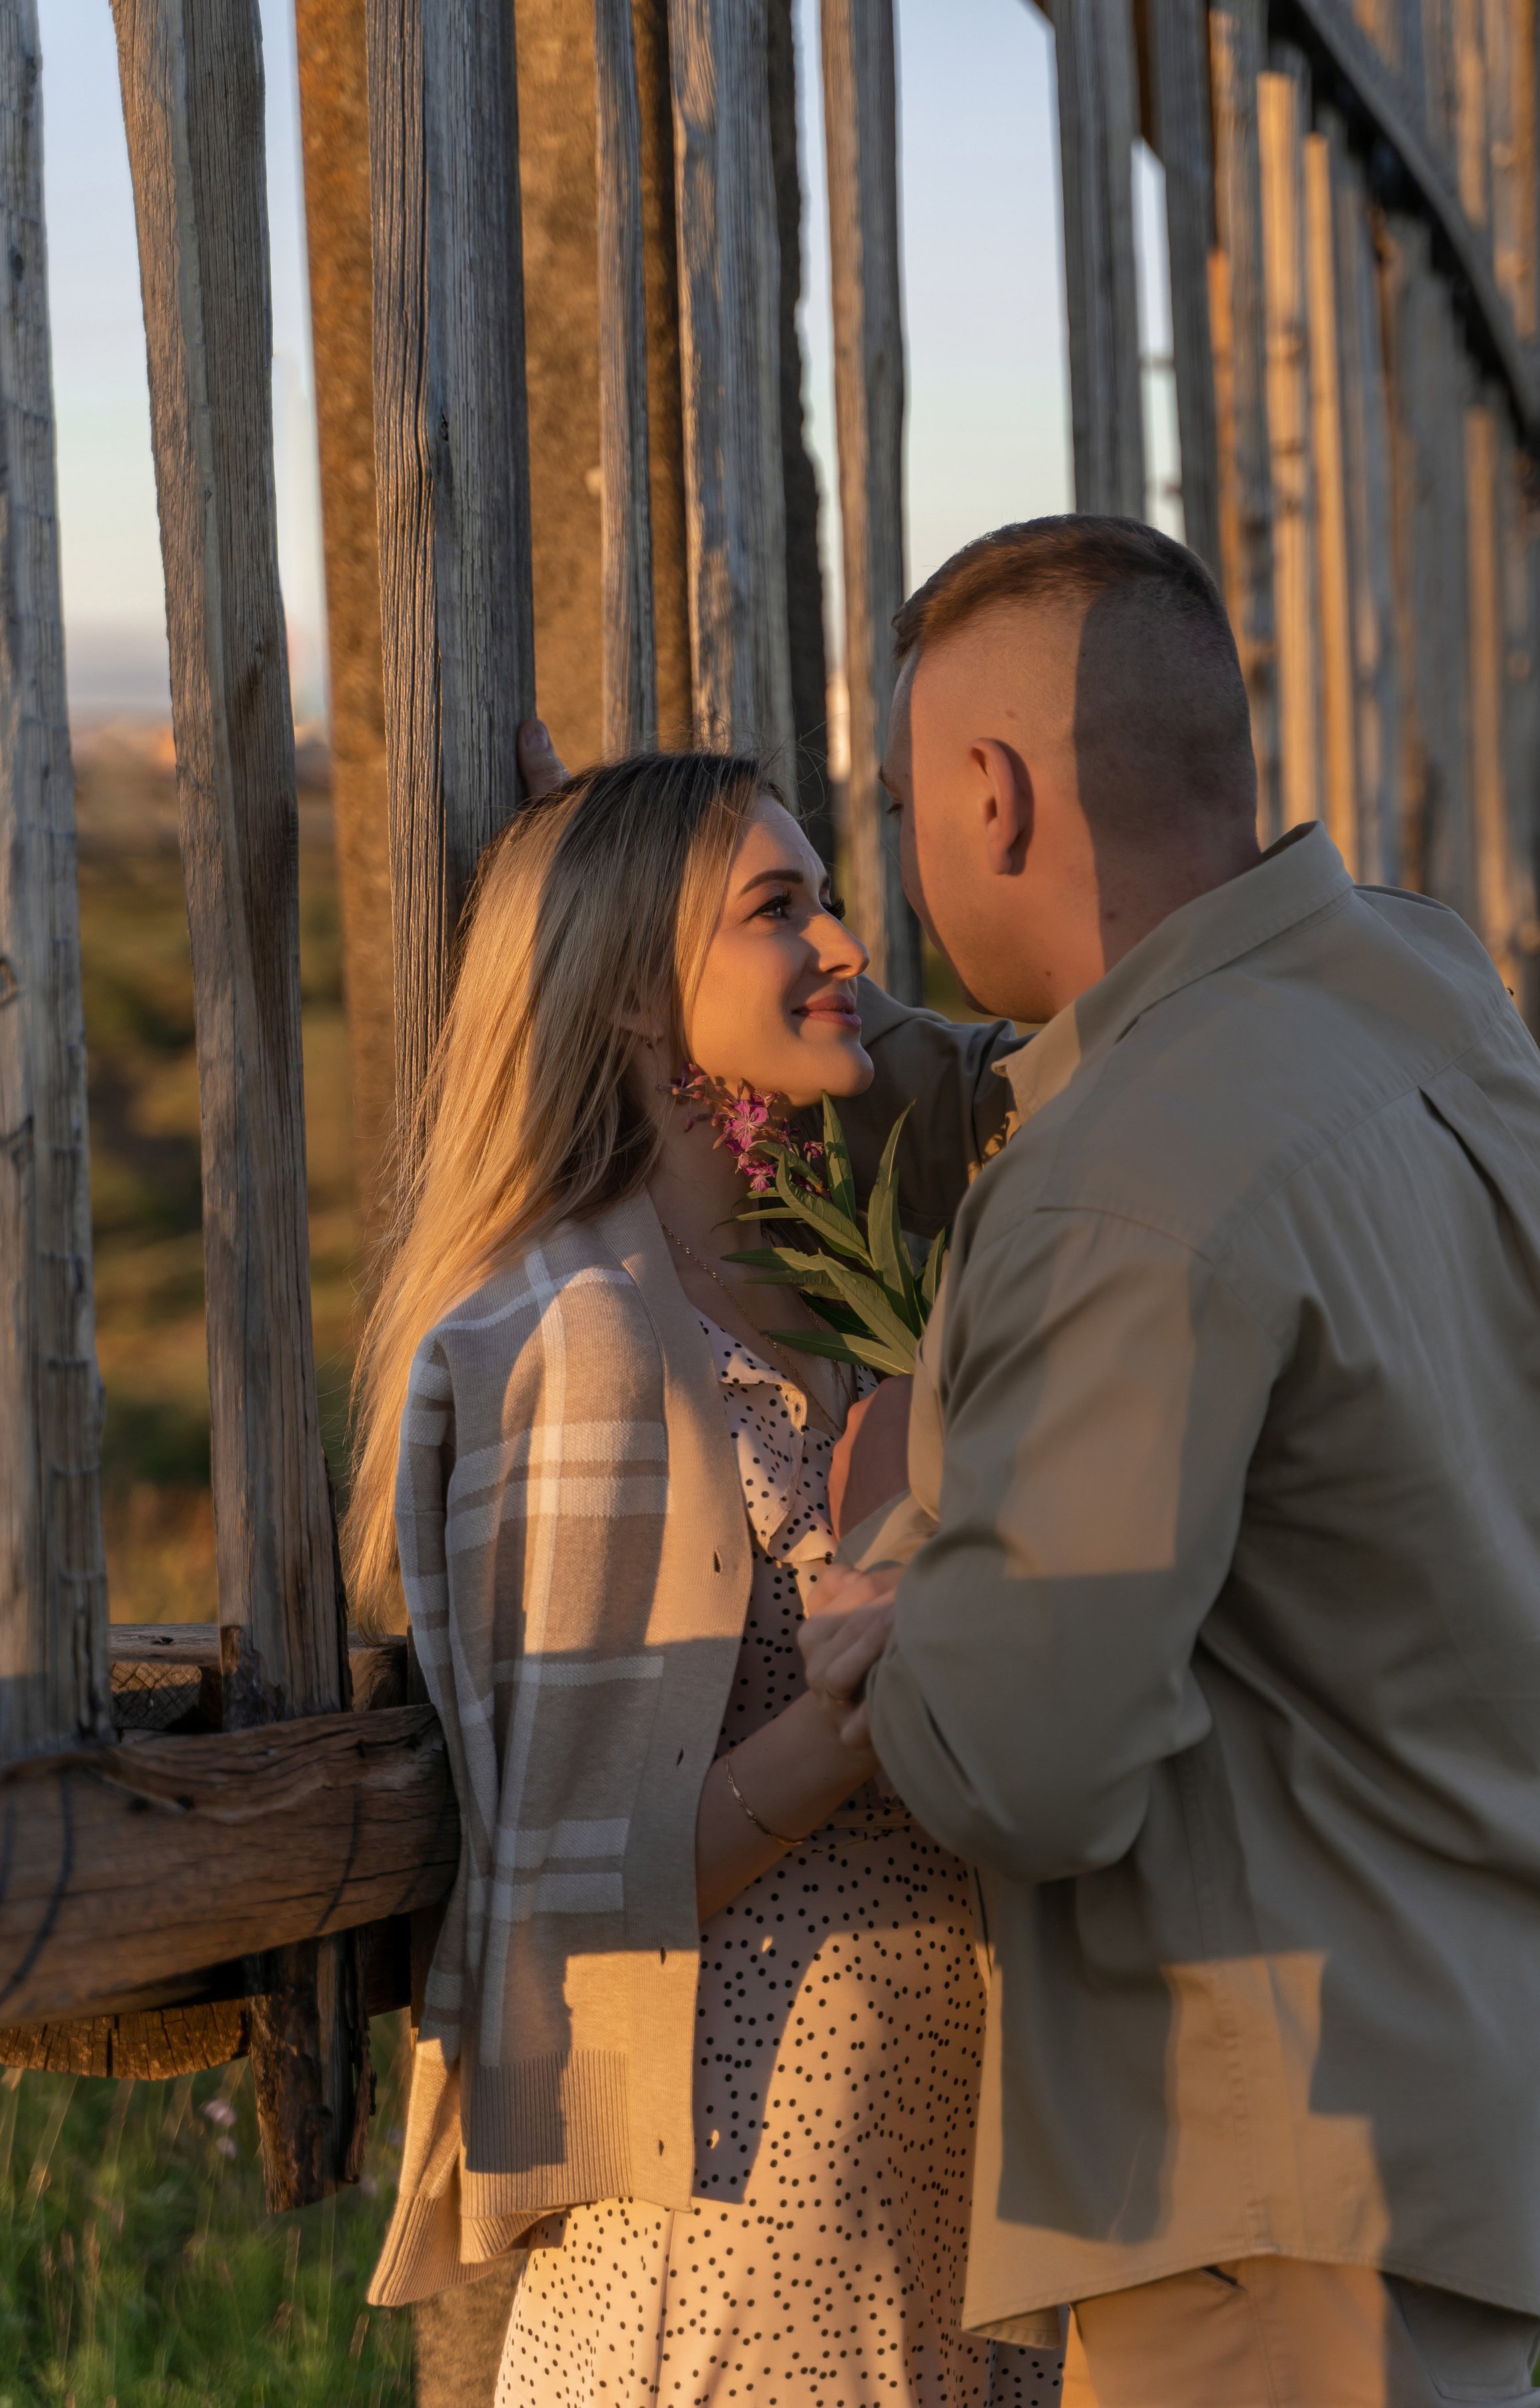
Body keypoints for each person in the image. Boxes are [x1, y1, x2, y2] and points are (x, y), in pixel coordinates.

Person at [794, 514, 1540, 2408]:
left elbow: (1025, 1770)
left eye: (900, 810)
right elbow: (1108, 1110)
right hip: (1451, 2093)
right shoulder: (1422, 997)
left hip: (1268, 2185)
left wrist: (885, 1533)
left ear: (995, 798)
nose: (876, 897)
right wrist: (841, 1057)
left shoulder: (1134, 1176)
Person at [347, 751, 1060, 2405]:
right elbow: (566, 1889)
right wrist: (867, 1710)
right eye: (773, 908)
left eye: (824, 894)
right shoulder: (577, 1341)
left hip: (938, 2208)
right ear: (622, 997)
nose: (838, 944)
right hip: (734, 2236)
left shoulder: (840, 1288)